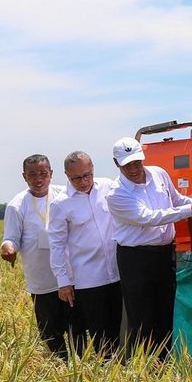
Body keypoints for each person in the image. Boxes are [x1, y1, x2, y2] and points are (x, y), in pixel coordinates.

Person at [105, 136, 192, 358]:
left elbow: (177, 199)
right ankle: (145, 367)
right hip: (135, 259)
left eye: (137, 162)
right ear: (117, 164)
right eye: (127, 165)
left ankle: (164, 362)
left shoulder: (159, 174)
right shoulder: (116, 194)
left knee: (166, 310)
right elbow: (148, 218)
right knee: (142, 317)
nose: (134, 169)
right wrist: (191, 209)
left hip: (164, 254)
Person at [47, 151, 122, 358]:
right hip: (89, 279)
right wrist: (63, 281)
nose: (83, 182)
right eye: (76, 178)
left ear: (93, 169)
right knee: (101, 333)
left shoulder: (108, 187)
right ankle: (106, 369)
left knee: (121, 328)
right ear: (66, 175)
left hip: (118, 272)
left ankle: (125, 369)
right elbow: (57, 245)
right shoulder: (60, 204)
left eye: (87, 175)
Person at [0, 154, 71, 359]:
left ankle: (82, 364)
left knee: (76, 326)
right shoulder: (16, 205)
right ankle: (60, 366)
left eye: (43, 173)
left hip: (69, 275)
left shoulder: (65, 195)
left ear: (51, 173)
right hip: (41, 279)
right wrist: (8, 248)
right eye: (32, 175)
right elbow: (10, 238)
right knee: (50, 330)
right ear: (24, 176)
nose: (38, 179)